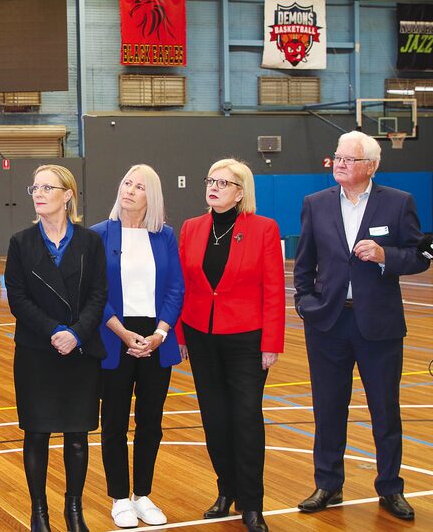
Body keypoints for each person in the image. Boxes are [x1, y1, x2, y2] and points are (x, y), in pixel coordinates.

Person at [294, 131, 429, 521]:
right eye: (336, 157)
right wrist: (305, 304)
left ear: (370, 165)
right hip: (328, 323)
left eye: (349, 159)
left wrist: (387, 255)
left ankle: (390, 488)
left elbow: (420, 256)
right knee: (328, 409)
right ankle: (328, 484)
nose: (339, 163)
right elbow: (304, 263)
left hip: (379, 326)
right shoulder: (315, 204)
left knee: (385, 411)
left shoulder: (398, 203)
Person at [175, 159, 284, 532]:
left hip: (247, 340)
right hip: (201, 336)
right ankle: (227, 490)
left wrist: (271, 342)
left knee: (246, 419)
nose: (214, 187)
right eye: (211, 180)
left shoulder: (264, 229)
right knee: (215, 418)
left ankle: (252, 504)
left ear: (241, 191)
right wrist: (179, 335)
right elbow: (182, 286)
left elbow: (273, 290)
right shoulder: (192, 228)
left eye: (224, 182)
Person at [4, 165, 107, 532]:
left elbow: (99, 295)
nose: (39, 192)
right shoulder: (21, 243)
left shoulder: (90, 242)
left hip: (79, 351)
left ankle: (74, 510)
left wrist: (77, 333)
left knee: (77, 436)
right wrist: (54, 331)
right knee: (37, 433)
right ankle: (39, 512)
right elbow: (17, 298)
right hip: (37, 350)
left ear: (68, 195)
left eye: (48, 187)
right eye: (35, 186)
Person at [90, 164, 184, 528]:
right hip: (115, 337)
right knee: (113, 422)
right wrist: (123, 333)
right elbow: (95, 294)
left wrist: (160, 334)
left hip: (156, 339)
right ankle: (119, 498)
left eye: (139, 186)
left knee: (151, 423)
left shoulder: (165, 236)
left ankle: (142, 495)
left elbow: (175, 288)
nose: (129, 190)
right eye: (126, 182)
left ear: (152, 196)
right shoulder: (99, 234)